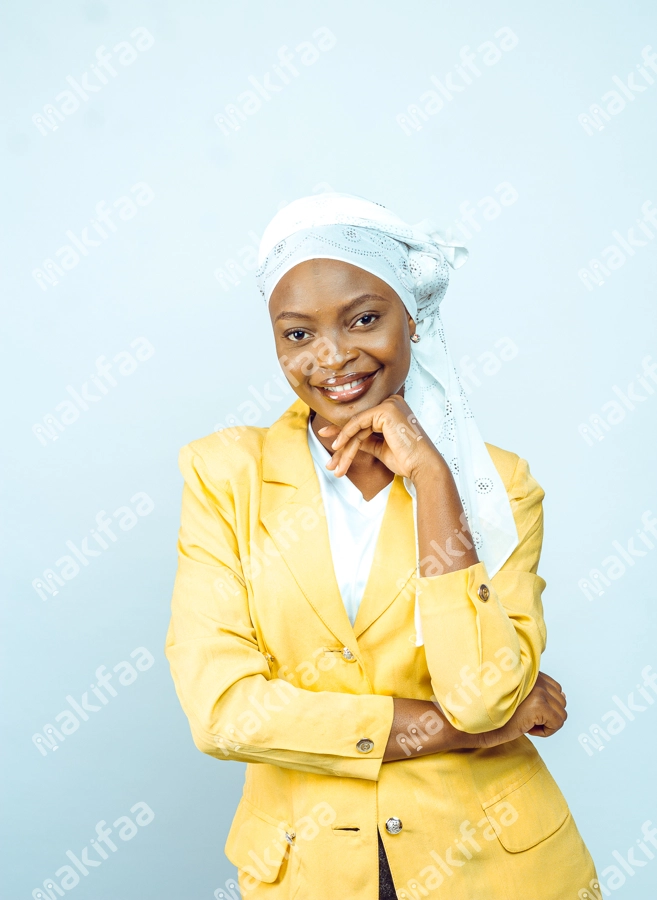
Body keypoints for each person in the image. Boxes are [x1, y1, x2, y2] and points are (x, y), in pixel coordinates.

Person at [165, 193, 599, 899]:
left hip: (497, 870)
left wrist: (433, 480)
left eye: (364, 318)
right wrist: (461, 734)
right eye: (296, 334)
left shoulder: (498, 484)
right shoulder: (224, 476)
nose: (332, 357)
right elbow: (224, 713)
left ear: (413, 320)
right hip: (307, 870)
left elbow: (485, 697)